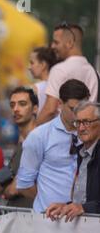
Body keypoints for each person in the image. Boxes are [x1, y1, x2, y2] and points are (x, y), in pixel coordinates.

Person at [17, 79, 90, 213]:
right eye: (73, 109)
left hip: (86, 219)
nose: (79, 114)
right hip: (48, 219)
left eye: (83, 108)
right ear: (60, 104)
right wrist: (47, 202)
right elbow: (24, 184)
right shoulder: (39, 136)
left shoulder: (93, 134)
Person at [46, 102, 100, 221]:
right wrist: (66, 206)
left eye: (87, 122)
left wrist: (84, 208)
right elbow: (84, 200)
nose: (81, 128)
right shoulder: (82, 153)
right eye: (78, 123)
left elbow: (85, 206)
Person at [36, 22, 99, 125]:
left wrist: (31, 133)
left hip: (64, 135)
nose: (52, 46)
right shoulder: (95, 73)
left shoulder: (59, 70)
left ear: (69, 43)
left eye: (56, 42)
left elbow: (50, 110)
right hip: (87, 134)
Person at [0, 87, 38, 208]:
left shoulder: (39, 141)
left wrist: (7, 191)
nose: (16, 109)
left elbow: (13, 190)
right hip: (18, 218)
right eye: (12, 105)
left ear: (35, 109)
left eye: (22, 104)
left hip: (34, 218)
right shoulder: (21, 143)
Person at [28, 47, 57, 113]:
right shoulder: (58, 85)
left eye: (32, 63)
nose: (29, 67)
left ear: (43, 65)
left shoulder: (35, 89)